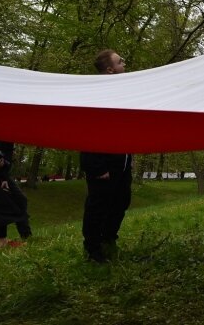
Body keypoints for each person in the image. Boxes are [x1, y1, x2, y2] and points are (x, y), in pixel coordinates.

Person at [81, 49, 133, 263]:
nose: (125, 64)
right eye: (121, 62)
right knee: (98, 206)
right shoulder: (96, 95)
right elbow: (87, 131)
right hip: (101, 164)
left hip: (122, 161)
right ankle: (93, 249)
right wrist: (96, 167)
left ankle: (108, 239)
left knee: (121, 202)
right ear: (110, 69)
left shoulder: (122, 93)